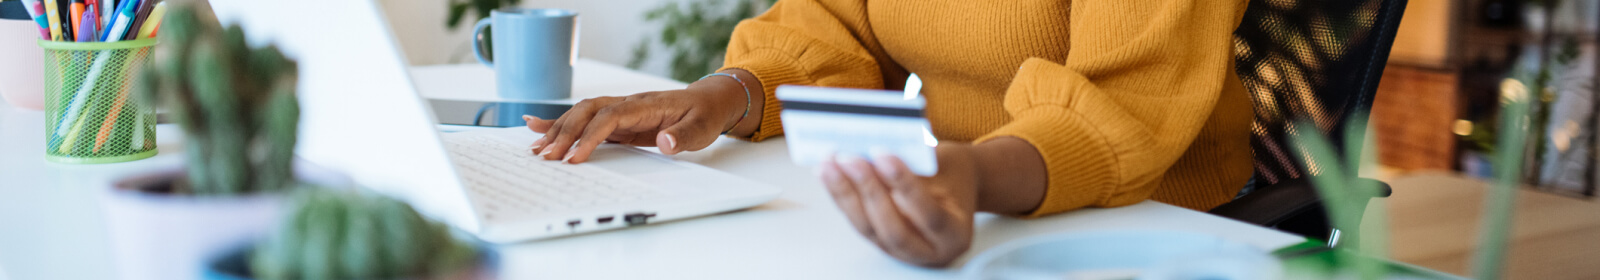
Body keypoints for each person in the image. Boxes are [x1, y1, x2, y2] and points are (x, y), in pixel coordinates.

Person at [522, 0, 1253, 267]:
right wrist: (719, 96)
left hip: (1148, 223)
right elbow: (830, 27)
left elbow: (1121, 108)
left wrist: (970, 175)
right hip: (940, 194)